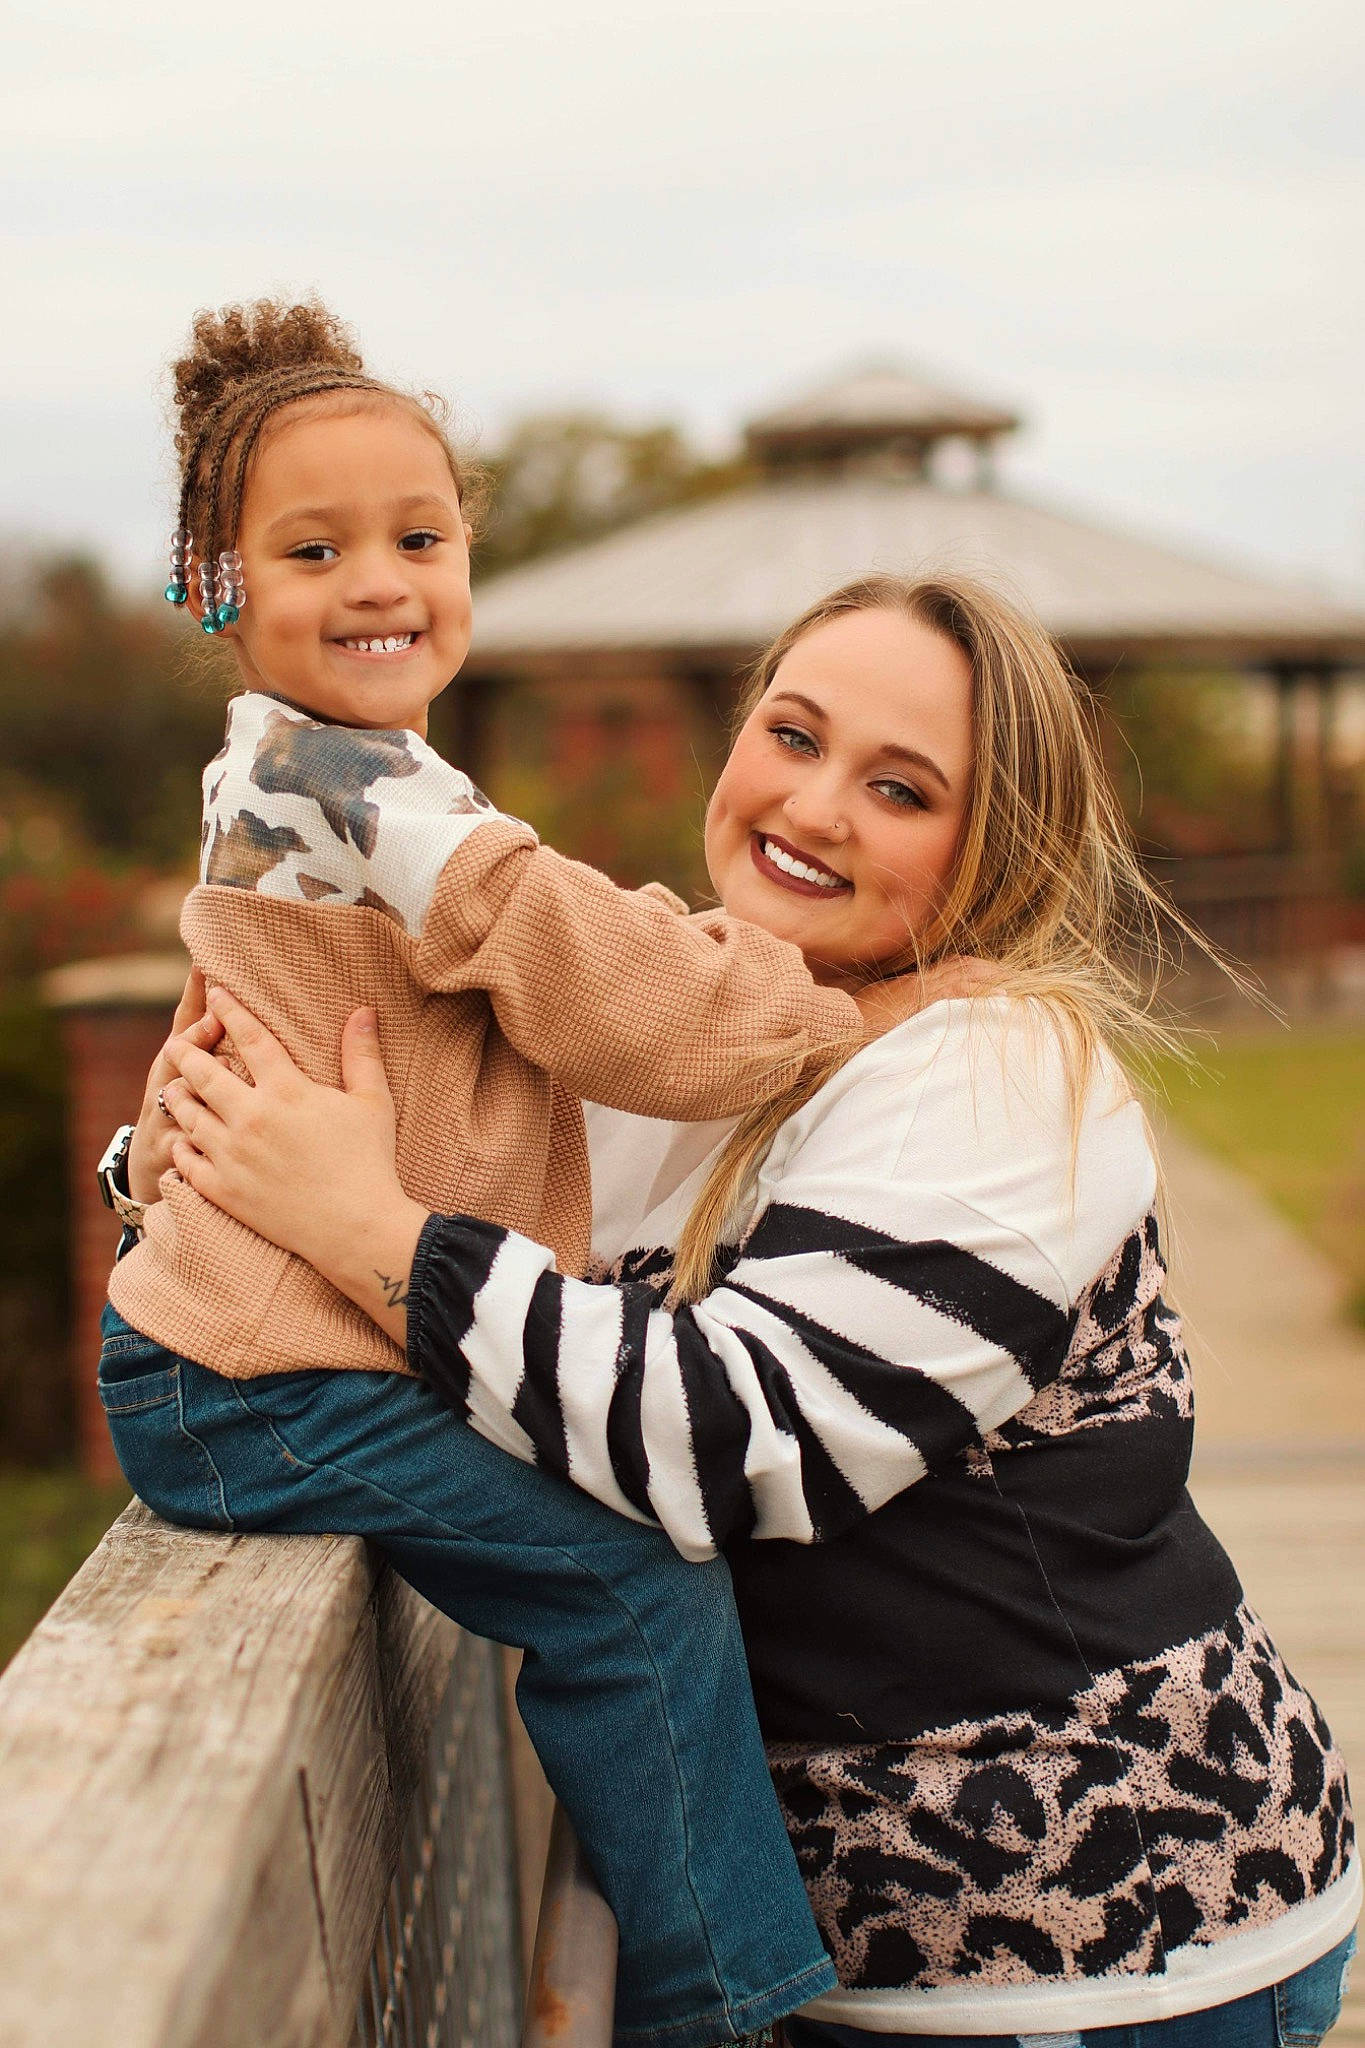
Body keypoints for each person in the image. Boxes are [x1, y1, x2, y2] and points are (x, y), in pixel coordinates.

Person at [142, 573, 1358, 2044]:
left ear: (992, 852)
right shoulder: (683, 1031)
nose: (817, 804)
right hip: (863, 1952)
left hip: (1107, 1945)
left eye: (900, 789)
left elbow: (734, 1438)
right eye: (792, 735)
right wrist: (198, 1143)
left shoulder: (999, 1078)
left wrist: (372, 1231)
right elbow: (392, 1151)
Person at [102, 296, 937, 2048]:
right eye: (313, 548)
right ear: (217, 583)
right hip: (260, 1379)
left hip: (266, 1356)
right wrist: (829, 1016)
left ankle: (687, 1973)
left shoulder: (337, 778)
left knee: (613, 1556)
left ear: (471, 545)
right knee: (631, 1575)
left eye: (420, 535)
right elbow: (590, 983)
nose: (380, 579)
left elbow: (538, 930)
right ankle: (722, 2005)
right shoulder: (352, 783)